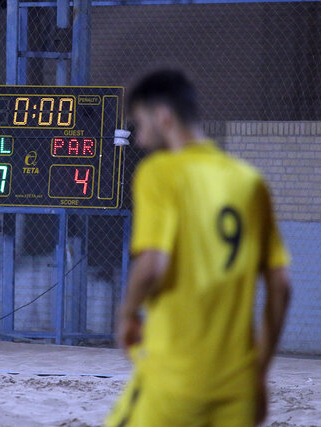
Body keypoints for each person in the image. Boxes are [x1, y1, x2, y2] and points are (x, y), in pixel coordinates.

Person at [107, 70, 291, 426]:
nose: (141, 139)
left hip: (174, 381)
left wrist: (127, 314)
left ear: (164, 117)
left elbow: (152, 267)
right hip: (236, 387)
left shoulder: (160, 172)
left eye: (141, 124)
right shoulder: (250, 182)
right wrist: (259, 373)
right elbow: (281, 287)